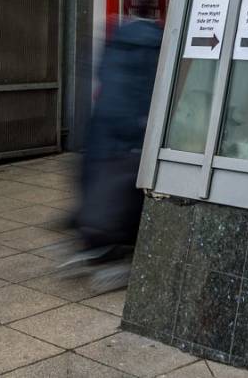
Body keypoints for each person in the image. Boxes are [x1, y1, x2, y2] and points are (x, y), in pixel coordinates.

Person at [66, 16, 161, 291]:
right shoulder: (154, 46)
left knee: (104, 187)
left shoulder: (116, 42)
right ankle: (119, 249)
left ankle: (94, 242)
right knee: (129, 190)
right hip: (130, 139)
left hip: (104, 136)